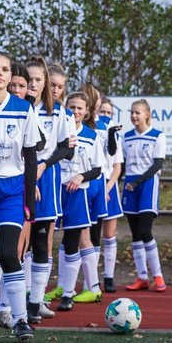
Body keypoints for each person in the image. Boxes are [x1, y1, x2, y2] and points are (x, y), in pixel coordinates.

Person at [0, 51, 42, 342]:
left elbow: (30, 157)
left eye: (4, 69)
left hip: (12, 189)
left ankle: (20, 320)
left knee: (7, 253)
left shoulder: (23, 109)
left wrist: (28, 203)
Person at [24, 56, 74, 322]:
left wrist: (43, 166)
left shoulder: (59, 112)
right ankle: (15, 303)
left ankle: (36, 301)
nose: (33, 85)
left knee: (42, 241)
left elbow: (66, 147)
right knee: (20, 243)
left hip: (48, 180)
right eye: (29, 80)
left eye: (38, 80)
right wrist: (29, 175)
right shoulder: (21, 107)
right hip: (21, 178)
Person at [54, 91, 104, 310]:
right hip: (54, 190)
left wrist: (81, 176)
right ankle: (36, 290)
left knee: (72, 241)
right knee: (45, 242)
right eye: (72, 107)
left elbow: (97, 169)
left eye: (79, 108)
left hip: (77, 192)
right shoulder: (57, 130)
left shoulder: (92, 136)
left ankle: (67, 294)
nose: (75, 111)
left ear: (86, 112)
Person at [121, 99, 167, 292]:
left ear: (147, 114)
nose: (134, 116)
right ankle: (142, 277)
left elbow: (157, 164)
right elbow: (121, 164)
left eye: (138, 112)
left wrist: (137, 182)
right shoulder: (126, 137)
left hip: (147, 183)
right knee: (135, 233)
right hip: (129, 183)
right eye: (132, 112)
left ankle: (158, 276)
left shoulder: (158, 136)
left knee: (145, 230)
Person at [96, 96, 124, 292]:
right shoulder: (92, 130)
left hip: (109, 185)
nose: (105, 116)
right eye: (102, 112)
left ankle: (109, 277)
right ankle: (92, 280)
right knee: (91, 234)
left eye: (109, 113)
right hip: (93, 183)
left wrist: (107, 189)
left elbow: (117, 166)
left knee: (109, 234)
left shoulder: (114, 133)